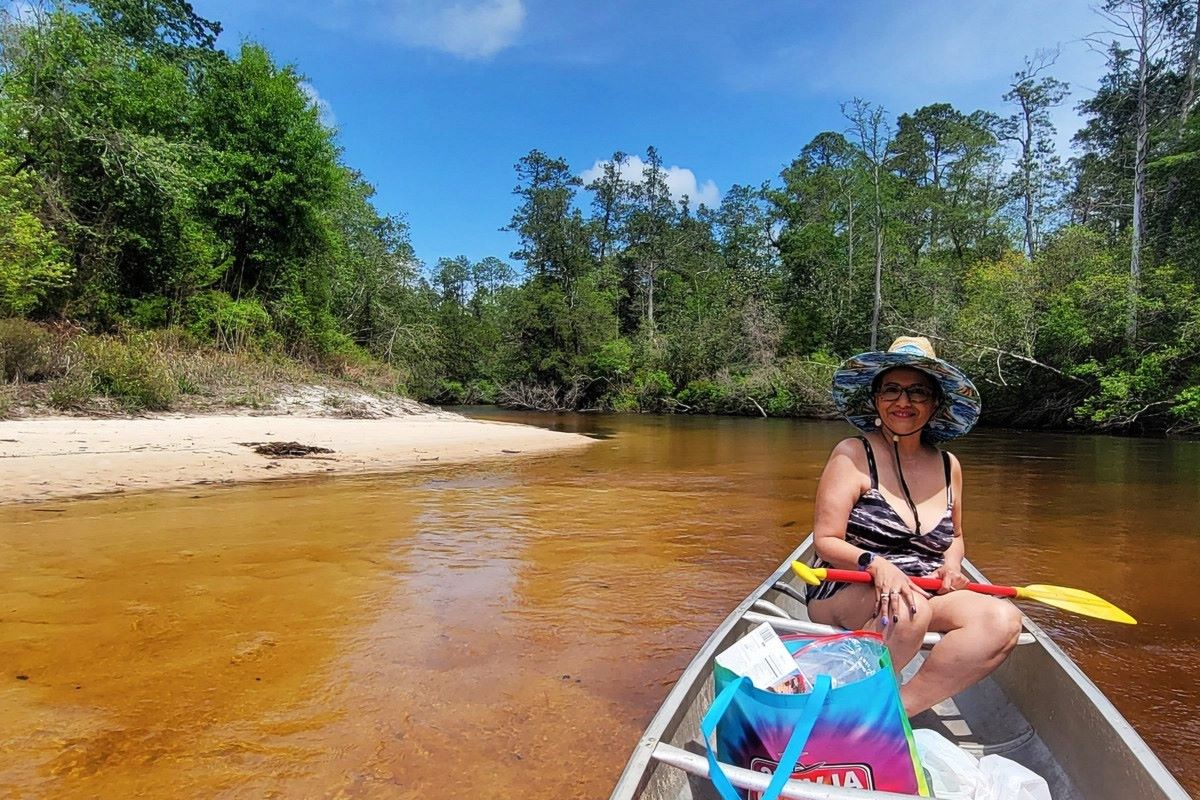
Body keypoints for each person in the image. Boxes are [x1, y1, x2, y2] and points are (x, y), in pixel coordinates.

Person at [805, 336, 1022, 717]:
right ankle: (848, 704)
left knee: (1002, 619)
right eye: (892, 389)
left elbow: (954, 537)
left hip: (922, 590)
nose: (903, 402)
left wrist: (952, 567)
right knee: (908, 611)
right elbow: (825, 541)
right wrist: (877, 564)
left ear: (935, 403)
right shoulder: (852, 455)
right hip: (850, 584)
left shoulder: (948, 464)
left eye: (918, 392)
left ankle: (895, 711)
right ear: (875, 399)